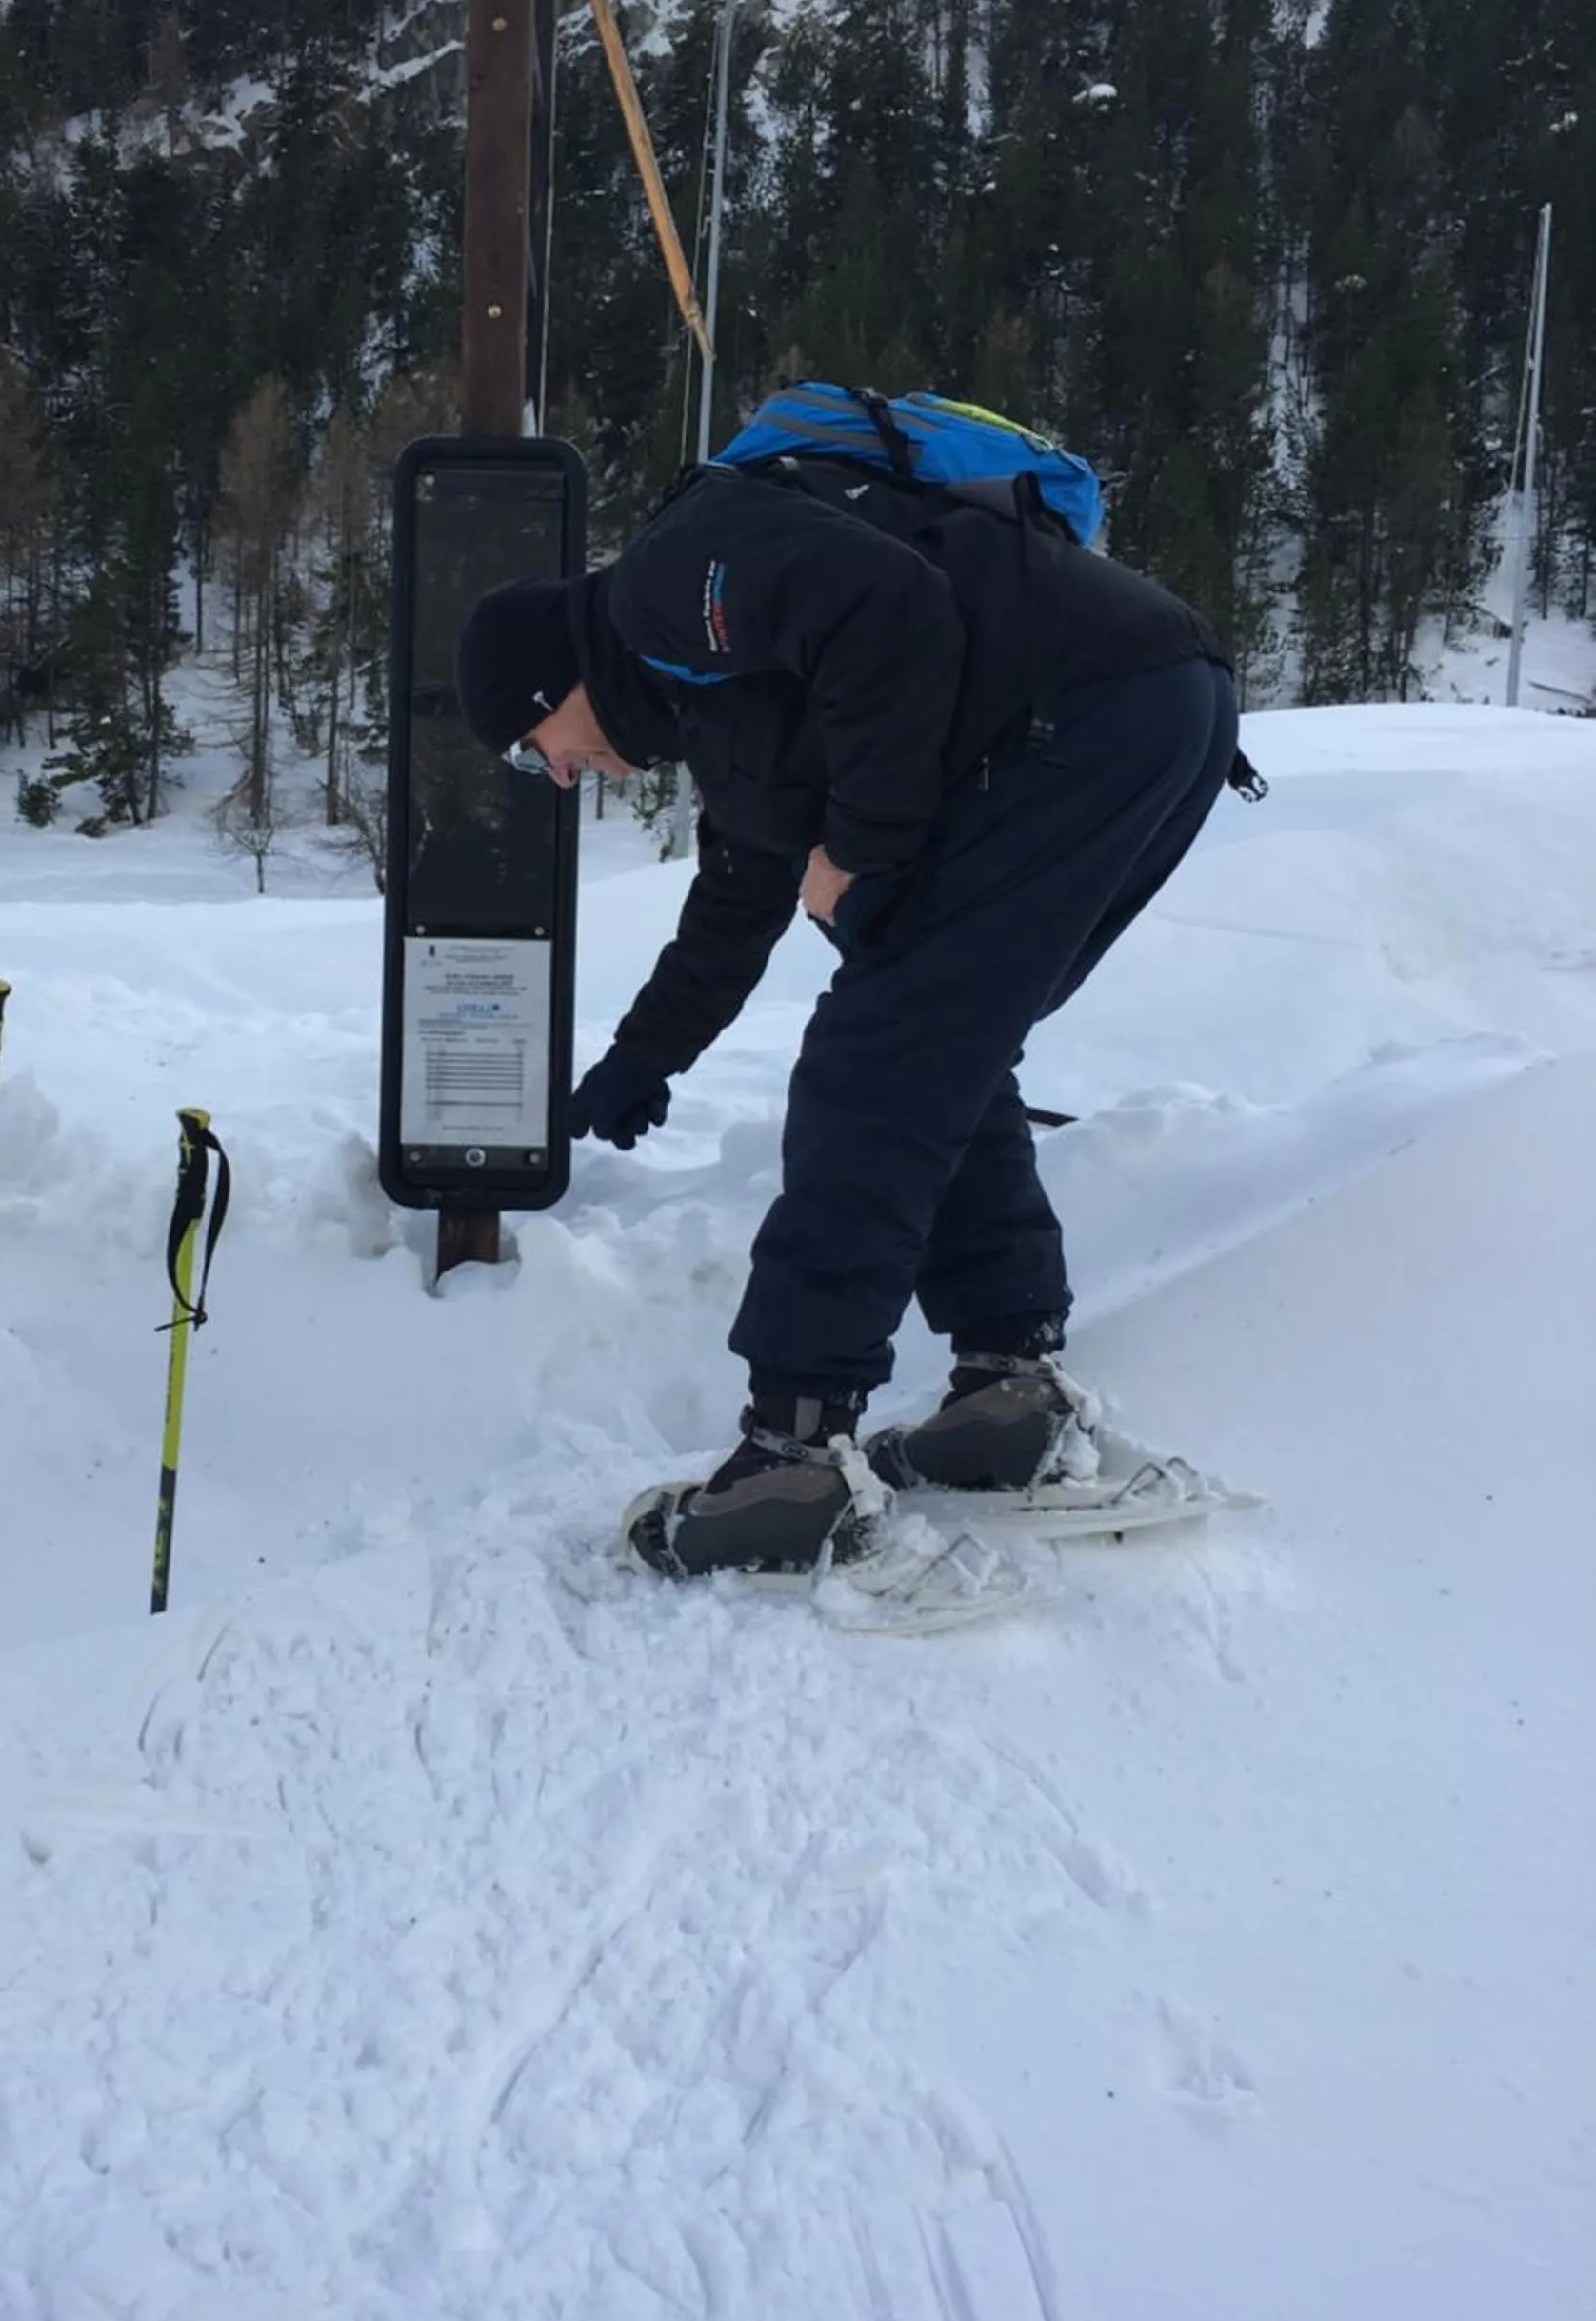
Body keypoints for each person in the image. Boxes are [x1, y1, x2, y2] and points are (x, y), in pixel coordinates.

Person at [451, 444, 1243, 1578]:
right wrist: (643, 1056)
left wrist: (864, 860)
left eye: (536, 756)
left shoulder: (660, 591)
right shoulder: (716, 706)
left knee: (876, 1064)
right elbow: (736, 896)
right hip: (1147, 705)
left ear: (552, 687)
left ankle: (795, 1461)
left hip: (1090, 710)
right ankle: (1007, 1396)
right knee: (938, 1049)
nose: (564, 777)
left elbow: (890, 604)